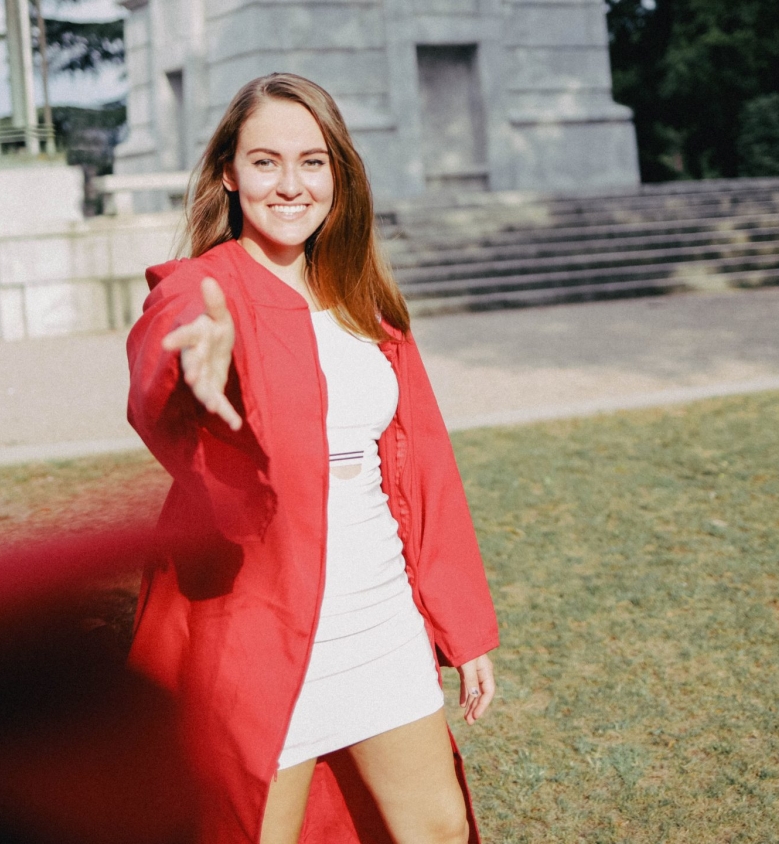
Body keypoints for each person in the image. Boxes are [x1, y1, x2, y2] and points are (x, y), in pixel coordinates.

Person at [125, 73, 499, 844]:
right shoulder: (205, 288)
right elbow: (165, 352)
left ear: (340, 173)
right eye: (265, 162)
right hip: (261, 626)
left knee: (438, 827)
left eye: (312, 161)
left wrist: (464, 629)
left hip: (377, 614)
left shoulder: (364, 298)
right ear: (228, 172)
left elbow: (425, 467)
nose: (290, 185)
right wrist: (192, 359)